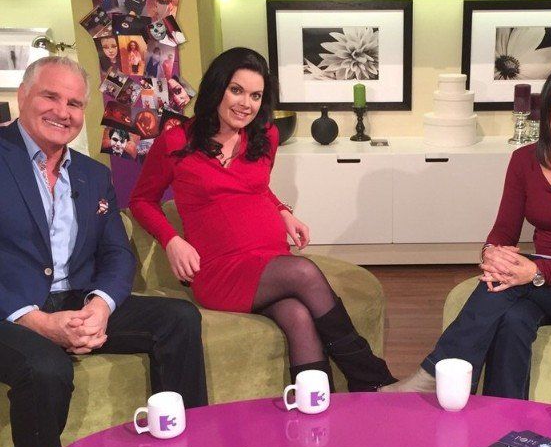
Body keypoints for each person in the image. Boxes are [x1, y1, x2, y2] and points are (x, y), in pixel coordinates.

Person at [0, 57, 208, 447]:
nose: (63, 111)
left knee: (178, 319)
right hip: (8, 309)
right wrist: (34, 320)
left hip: (74, 298)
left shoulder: (93, 174)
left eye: (74, 103)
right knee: (44, 367)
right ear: (22, 96)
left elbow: (116, 252)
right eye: (50, 97)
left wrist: (101, 306)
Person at [129, 47, 396, 392]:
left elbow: (256, 188)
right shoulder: (176, 142)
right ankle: (370, 377)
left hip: (269, 258)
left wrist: (283, 210)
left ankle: (318, 411)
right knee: (304, 272)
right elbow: (141, 200)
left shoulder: (264, 136)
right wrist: (172, 240)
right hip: (221, 270)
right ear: (217, 88)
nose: (246, 104)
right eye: (236, 90)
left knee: (298, 317)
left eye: (255, 96)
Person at [383, 62, 551, 398]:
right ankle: (503, 416)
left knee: (508, 285)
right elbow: (503, 230)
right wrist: (491, 254)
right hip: (541, 276)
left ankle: (437, 372)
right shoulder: (524, 160)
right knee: (515, 318)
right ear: (547, 111)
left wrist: (535, 271)